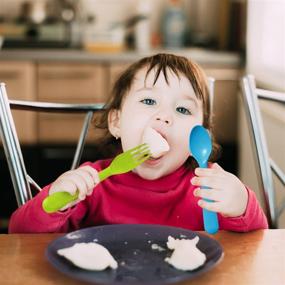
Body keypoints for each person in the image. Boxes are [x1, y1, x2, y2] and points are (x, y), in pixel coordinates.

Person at [9, 53, 268, 233]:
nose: (164, 116)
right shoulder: (93, 183)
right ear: (116, 122)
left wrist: (242, 204)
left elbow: (257, 239)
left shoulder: (208, 186)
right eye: (148, 101)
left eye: (182, 109)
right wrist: (56, 201)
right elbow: (19, 232)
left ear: (199, 135)